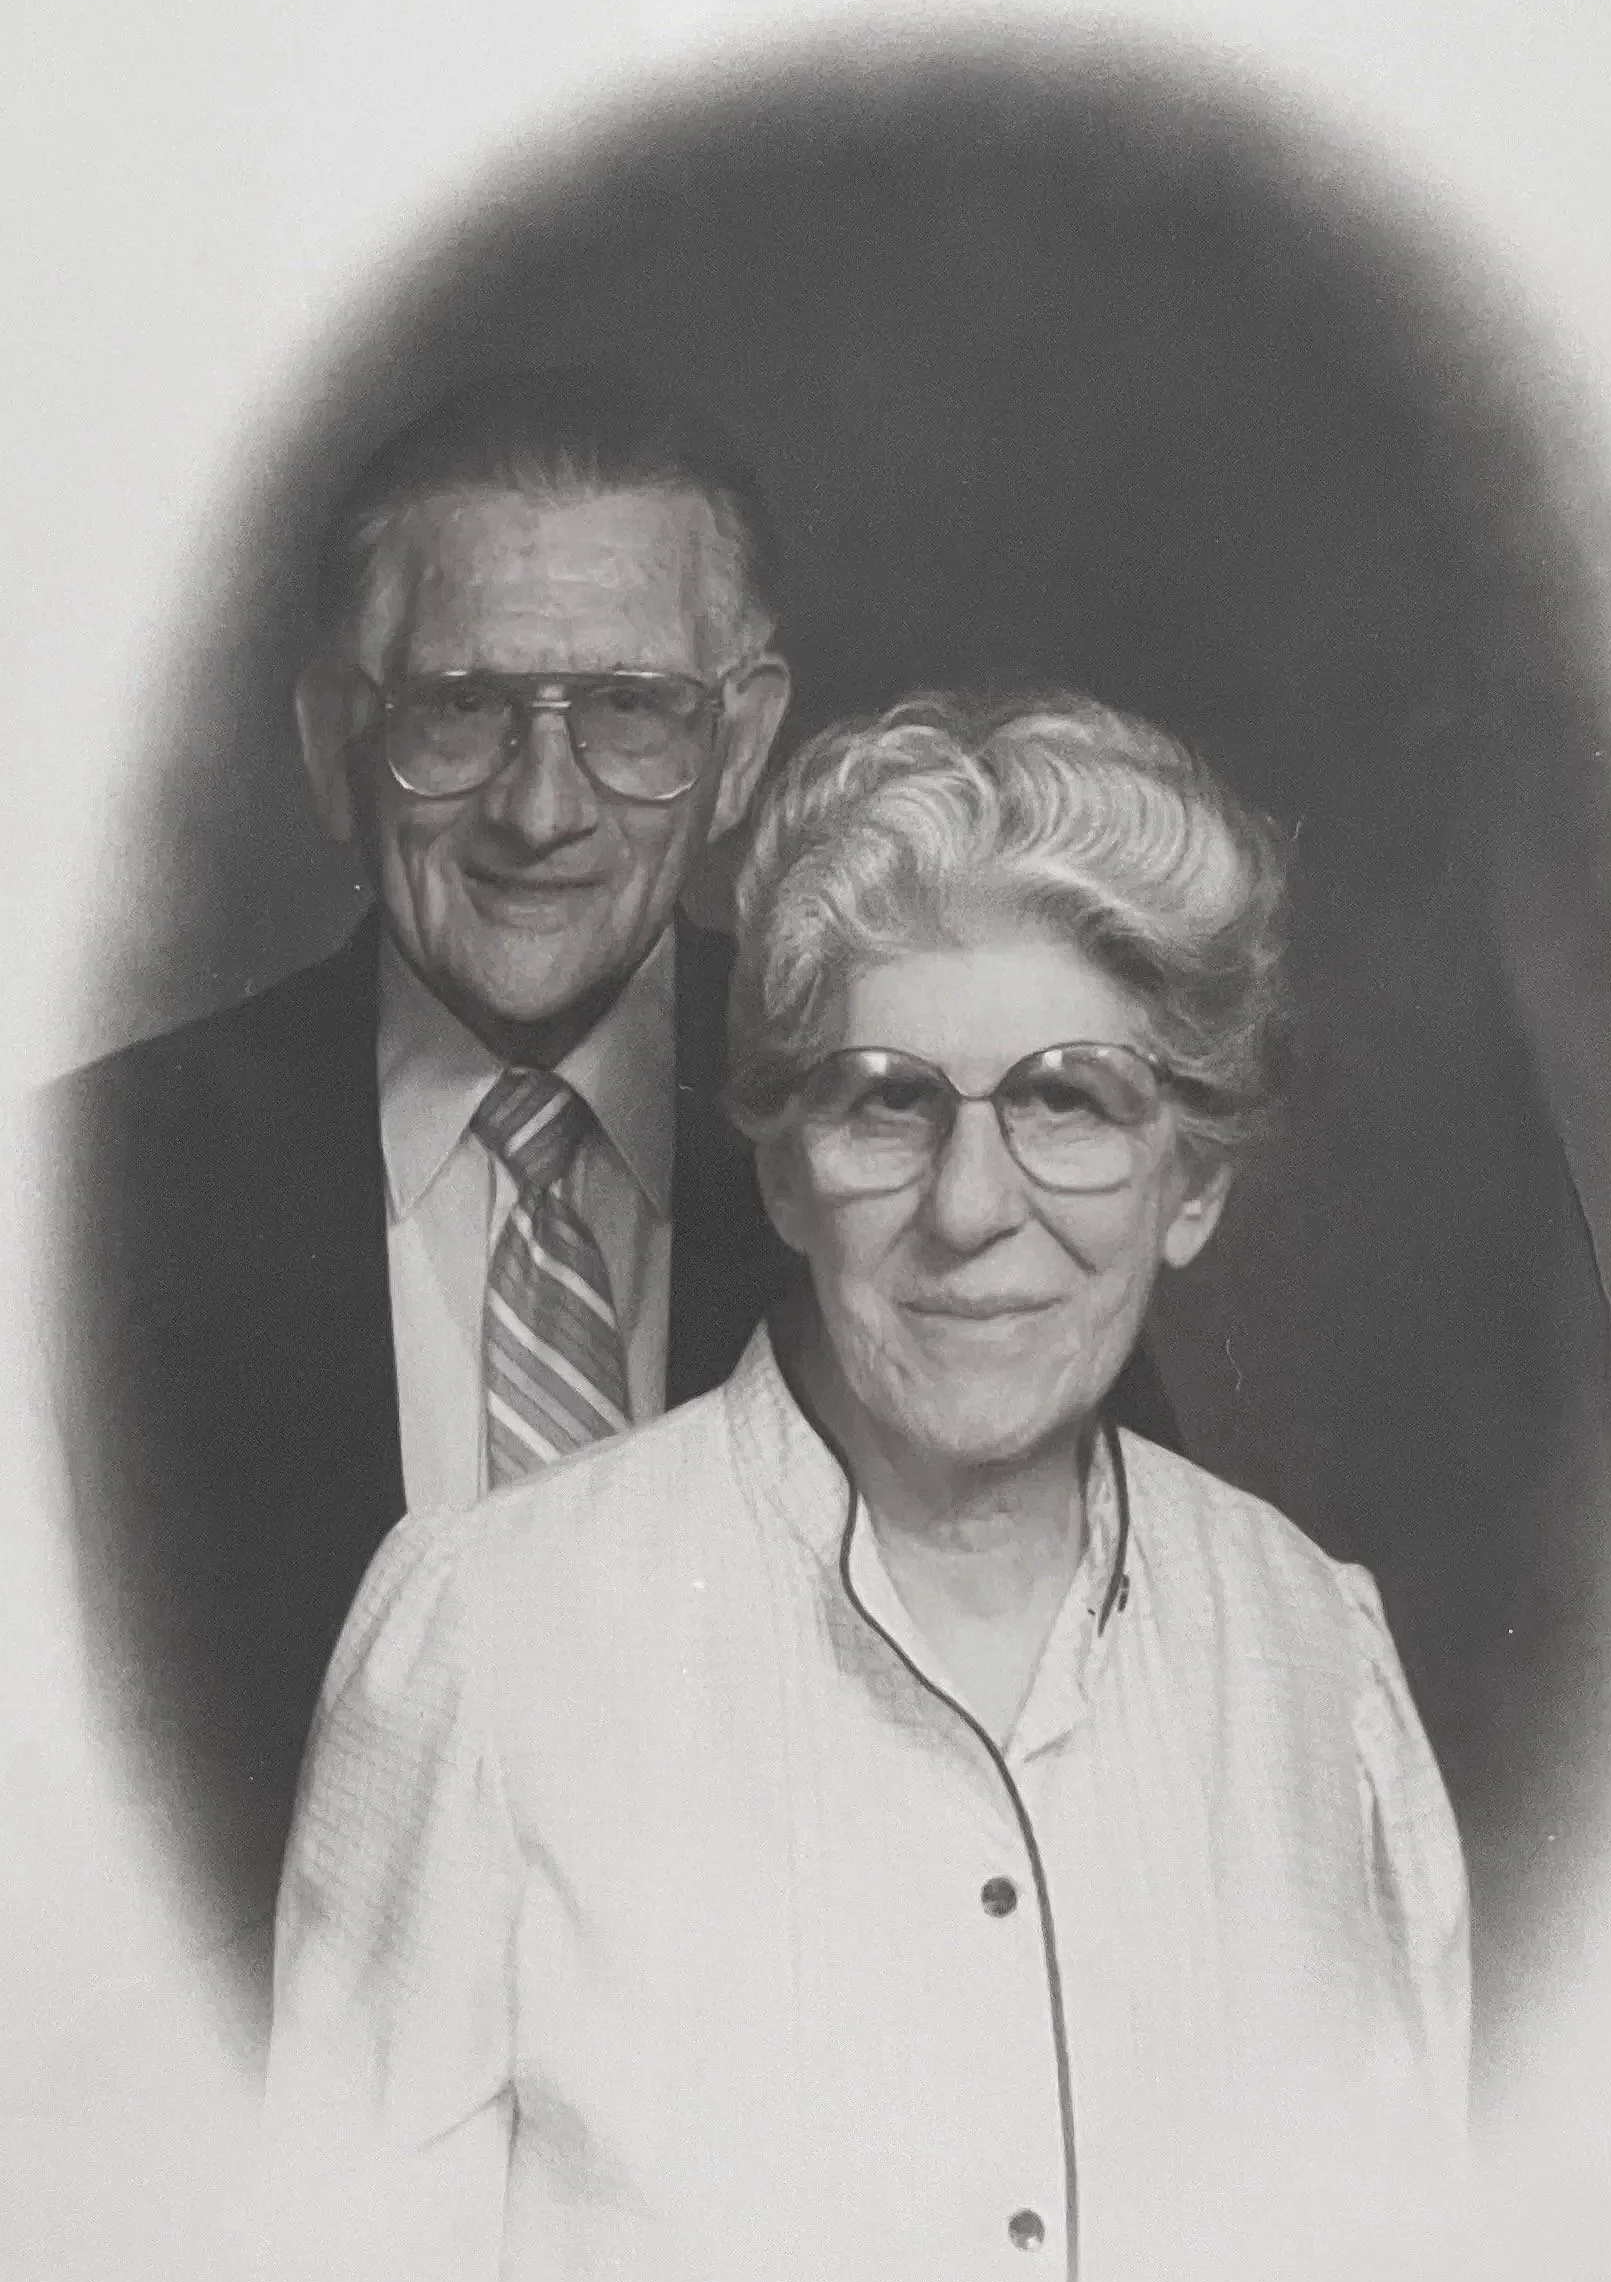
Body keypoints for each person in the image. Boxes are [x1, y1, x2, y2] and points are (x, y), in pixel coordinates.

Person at [269, 693, 1469, 2282]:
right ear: (782, 1172)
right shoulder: (488, 1642)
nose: (971, 1207)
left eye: (1070, 1102)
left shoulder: (1310, 1651)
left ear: (1189, 1183)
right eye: (887, 1104)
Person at [47, 368, 1181, 1991]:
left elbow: (1127, 1742)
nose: (541, 806)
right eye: (459, 707)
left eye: (632, 710)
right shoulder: (76, 1203)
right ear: (332, 739)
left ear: (742, 745)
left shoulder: (935, 1144)